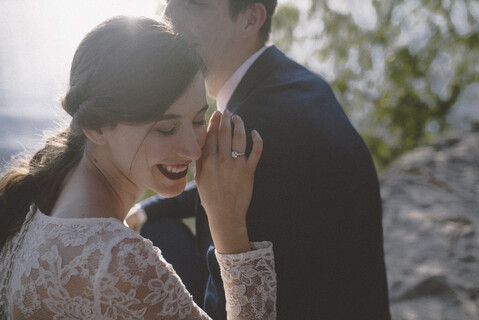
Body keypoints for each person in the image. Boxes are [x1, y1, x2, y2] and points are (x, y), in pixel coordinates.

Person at [0, 16, 277, 319]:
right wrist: (230, 227)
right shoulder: (120, 262)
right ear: (97, 126)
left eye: (199, 120)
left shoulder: (39, 197)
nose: (193, 148)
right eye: (166, 129)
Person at [131, 0, 392, 319]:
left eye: (193, 3)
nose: (168, 15)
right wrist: (148, 208)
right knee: (155, 224)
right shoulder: (297, 83)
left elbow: (230, 308)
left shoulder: (249, 132)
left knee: (151, 244)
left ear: (250, 19)